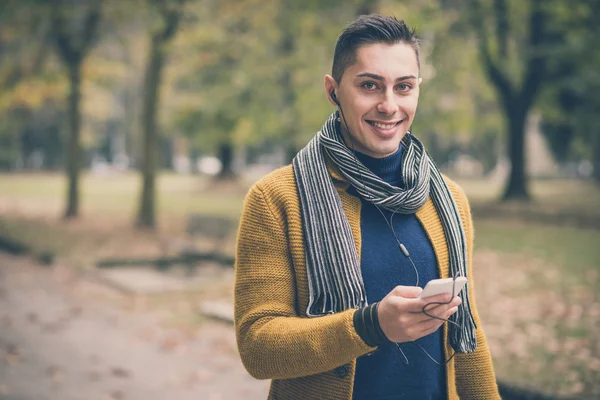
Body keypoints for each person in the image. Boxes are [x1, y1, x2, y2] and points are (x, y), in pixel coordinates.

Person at [234, 14, 500, 400]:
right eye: (369, 85)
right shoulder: (277, 198)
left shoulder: (448, 199)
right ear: (333, 90)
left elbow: (467, 334)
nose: (389, 105)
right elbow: (258, 348)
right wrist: (369, 325)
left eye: (403, 87)